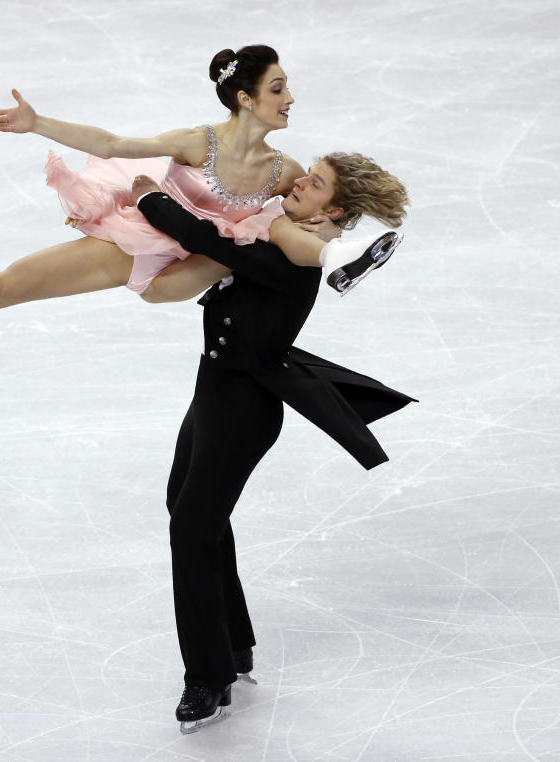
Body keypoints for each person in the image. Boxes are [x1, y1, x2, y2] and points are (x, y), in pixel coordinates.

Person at [0, 45, 403, 355]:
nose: (290, 97)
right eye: (278, 88)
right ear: (245, 99)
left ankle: (339, 264)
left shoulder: (285, 171)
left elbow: (315, 205)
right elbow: (115, 142)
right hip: (141, 244)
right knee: (0, 288)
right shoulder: (199, 143)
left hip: (202, 264)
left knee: (268, 234)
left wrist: (328, 227)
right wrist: (38, 123)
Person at [127, 163, 415, 733]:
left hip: (245, 408)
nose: (303, 180)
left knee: (191, 529)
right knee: (189, 515)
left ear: (332, 213)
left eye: (318, 183)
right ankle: (233, 648)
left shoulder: (294, 253)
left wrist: (151, 202)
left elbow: (206, 239)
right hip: (214, 391)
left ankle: (207, 678)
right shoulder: (280, 228)